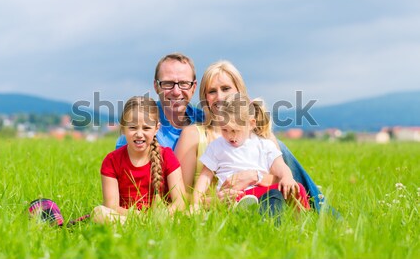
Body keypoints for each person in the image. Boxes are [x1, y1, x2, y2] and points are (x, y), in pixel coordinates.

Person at [174, 61, 324, 211]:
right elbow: (179, 195)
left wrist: (253, 176)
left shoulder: (260, 136)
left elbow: (279, 177)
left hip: (265, 197)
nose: (219, 96)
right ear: (205, 97)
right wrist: (212, 201)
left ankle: (316, 213)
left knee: (290, 183)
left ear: (240, 92)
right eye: (212, 91)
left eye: (226, 88)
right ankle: (321, 206)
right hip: (220, 207)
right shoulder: (194, 135)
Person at [192, 93, 310, 211]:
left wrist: (287, 177)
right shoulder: (216, 146)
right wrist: (196, 203)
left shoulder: (264, 145)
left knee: (296, 188)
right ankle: (246, 209)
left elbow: (281, 167)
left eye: (235, 130)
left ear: (251, 124)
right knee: (236, 198)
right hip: (233, 195)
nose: (230, 135)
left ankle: (300, 218)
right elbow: (205, 177)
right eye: (224, 130)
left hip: (261, 191)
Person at [93, 96, 186, 224]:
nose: (139, 134)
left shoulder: (167, 156)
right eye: (132, 128)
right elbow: (111, 205)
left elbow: (180, 203)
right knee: (99, 212)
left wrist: (161, 217)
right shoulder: (112, 160)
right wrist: (143, 218)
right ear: (123, 128)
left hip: (161, 220)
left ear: (156, 128)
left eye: (146, 128)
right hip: (127, 219)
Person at [115, 53, 204, 150]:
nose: (176, 92)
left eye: (184, 83)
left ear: (194, 87)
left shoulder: (204, 120)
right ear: (156, 86)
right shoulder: (140, 122)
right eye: (168, 83)